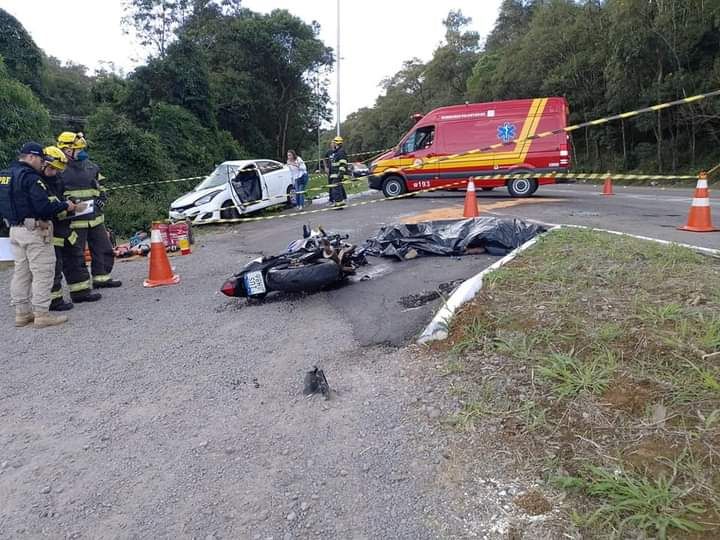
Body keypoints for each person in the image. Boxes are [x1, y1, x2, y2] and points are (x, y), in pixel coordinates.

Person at [0, 142, 78, 328]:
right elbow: (43, 207)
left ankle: (22, 314)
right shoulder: (31, 178)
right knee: (43, 272)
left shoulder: (4, 175)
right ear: (31, 157)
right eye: (41, 159)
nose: (41, 164)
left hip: (14, 230)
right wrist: (65, 206)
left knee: (21, 273)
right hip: (34, 230)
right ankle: (42, 315)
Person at [56, 131, 120, 302]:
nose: (82, 152)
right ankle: (81, 289)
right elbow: (56, 194)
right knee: (75, 255)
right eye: (78, 149)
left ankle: (102, 278)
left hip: (95, 217)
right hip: (74, 221)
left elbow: (102, 186)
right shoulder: (59, 170)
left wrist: (101, 200)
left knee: (103, 248)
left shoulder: (91, 166)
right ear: (67, 150)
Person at [41, 146, 78, 312]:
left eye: (57, 170)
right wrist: (65, 206)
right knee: (53, 267)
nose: (55, 172)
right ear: (44, 164)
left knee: (74, 260)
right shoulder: (37, 181)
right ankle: (54, 301)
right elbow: (46, 207)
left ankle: (81, 291)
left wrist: (72, 200)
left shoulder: (57, 178)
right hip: (51, 231)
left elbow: (64, 193)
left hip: (65, 228)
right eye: (52, 169)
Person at [325, 136, 348, 208]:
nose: (333, 144)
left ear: (336, 143)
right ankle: (340, 202)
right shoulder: (337, 152)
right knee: (336, 189)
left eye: (334, 142)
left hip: (337, 174)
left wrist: (340, 174)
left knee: (336, 190)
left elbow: (343, 164)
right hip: (334, 174)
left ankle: (339, 204)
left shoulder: (340, 152)